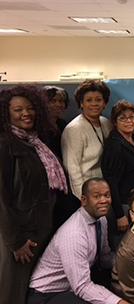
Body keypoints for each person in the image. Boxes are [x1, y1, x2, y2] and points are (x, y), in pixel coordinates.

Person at [0, 85, 69, 303]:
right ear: (6, 113)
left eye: (30, 108)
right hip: (19, 237)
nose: (26, 113)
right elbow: (1, 200)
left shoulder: (36, 143)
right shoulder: (5, 146)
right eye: (18, 110)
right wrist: (15, 241)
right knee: (12, 293)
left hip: (39, 230)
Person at [28, 178, 128, 304]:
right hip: (46, 294)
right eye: (97, 196)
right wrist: (118, 302)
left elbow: (104, 257)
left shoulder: (101, 220)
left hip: (70, 288)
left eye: (107, 195)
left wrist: (131, 262)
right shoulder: (74, 234)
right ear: (84, 201)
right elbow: (82, 286)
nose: (104, 200)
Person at [62, 79, 113, 200]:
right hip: (86, 194)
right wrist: (83, 199)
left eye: (98, 100)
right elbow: (72, 170)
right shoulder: (74, 129)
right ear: (81, 103)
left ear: (104, 103)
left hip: (104, 191)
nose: (94, 104)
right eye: (89, 100)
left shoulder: (106, 123)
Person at [102, 100, 134, 250]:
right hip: (122, 206)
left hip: (132, 202)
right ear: (114, 121)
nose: (128, 121)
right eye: (122, 118)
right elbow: (111, 183)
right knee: (122, 249)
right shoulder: (115, 146)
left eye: (131, 117)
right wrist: (120, 215)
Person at [43, 85, 69, 159]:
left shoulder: (63, 125)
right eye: (53, 101)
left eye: (61, 101)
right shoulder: (38, 128)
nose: (58, 105)